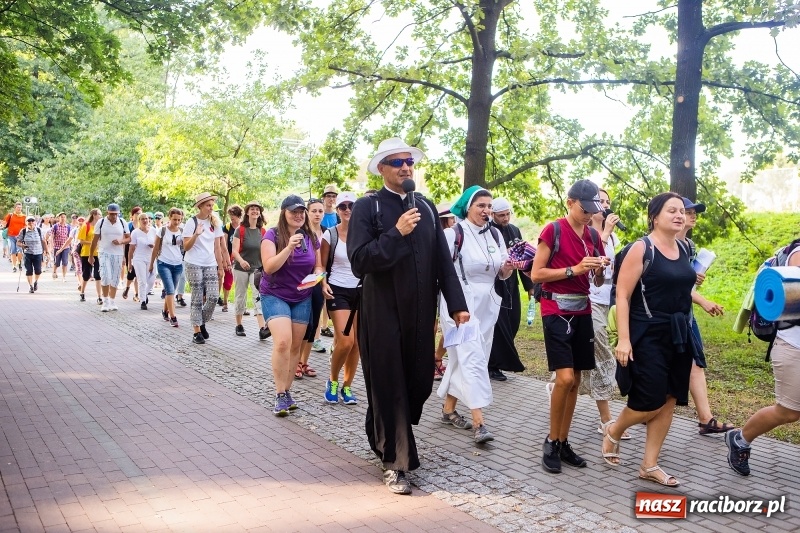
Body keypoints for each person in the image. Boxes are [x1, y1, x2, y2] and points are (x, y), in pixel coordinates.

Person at [348, 137, 469, 495]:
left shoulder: (427, 207)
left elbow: (443, 262)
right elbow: (360, 262)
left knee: (416, 382)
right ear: (382, 168)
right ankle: (396, 463)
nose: (405, 167)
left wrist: (457, 303)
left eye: (409, 162)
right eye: (396, 162)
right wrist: (396, 233)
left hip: (420, 313)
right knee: (391, 385)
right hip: (382, 312)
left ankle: (381, 431)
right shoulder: (366, 208)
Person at [603, 192, 697, 487]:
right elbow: (622, 295)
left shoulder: (683, 248)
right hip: (647, 333)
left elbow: (681, 289)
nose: (680, 215)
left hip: (679, 333)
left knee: (669, 399)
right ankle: (614, 430)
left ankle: (649, 465)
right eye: (672, 210)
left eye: (681, 211)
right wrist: (624, 339)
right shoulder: (642, 248)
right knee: (649, 401)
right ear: (654, 216)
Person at [530, 179, 608, 474]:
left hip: (583, 308)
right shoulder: (554, 230)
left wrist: (600, 269)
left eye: (593, 210)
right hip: (554, 308)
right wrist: (573, 269)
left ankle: (563, 441)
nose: (589, 215)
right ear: (570, 203)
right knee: (563, 379)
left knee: (575, 380)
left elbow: (597, 282)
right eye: (584, 209)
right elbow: (537, 274)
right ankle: (550, 440)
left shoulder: (592, 235)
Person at [438, 186, 514, 444]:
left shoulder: (495, 234)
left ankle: (448, 409)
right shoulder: (453, 234)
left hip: (487, 305)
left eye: (490, 206)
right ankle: (479, 422)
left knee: (467, 358)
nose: (487, 211)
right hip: (459, 305)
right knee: (473, 359)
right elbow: (441, 272)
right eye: (481, 205)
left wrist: (510, 266)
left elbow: (502, 273)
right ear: (467, 207)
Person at [725, 246, 800, 476]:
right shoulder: (797, 253)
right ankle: (740, 439)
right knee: (789, 411)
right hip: (793, 347)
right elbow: (793, 297)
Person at [260, 194, 323, 416]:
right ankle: (278, 394)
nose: (298, 215)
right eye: (293, 211)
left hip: (301, 296)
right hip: (274, 294)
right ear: (283, 213)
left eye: (300, 211)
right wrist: (287, 248)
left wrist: (316, 276)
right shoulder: (272, 235)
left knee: (296, 345)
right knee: (283, 342)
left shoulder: (310, 237)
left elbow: (318, 265)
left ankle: (287, 392)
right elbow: (268, 268)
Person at [579, 189, 631, 439]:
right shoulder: (590, 234)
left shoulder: (612, 239)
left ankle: (559, 385)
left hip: (605, 298)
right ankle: (606, 419)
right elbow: (586, 258)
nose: (605, 206)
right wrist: (606, 232)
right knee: (604, 355)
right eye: (601, 201)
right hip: (586, 298)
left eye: (608, 202)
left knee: (586, 358)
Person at [678, 197, 730, 435]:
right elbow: (674, 286)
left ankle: (705, 419)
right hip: (667, 316)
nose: (692, 215)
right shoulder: (664, 244)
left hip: (686, 314)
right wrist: (704, 302)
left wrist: (694, 276)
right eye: (688, 211)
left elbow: (684, 283)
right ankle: (648, 410)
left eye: (693, 212)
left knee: (696, 363)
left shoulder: (689, 245)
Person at [487, 198, 535, 381]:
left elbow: (524, 258)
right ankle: (493, 365)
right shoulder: (489, 231)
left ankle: (498, 360)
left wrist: (529, 287)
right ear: (493, 215)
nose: (505, 218)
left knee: (513, 321)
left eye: (508, 214)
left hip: (511, 284)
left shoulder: (515, 230)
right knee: (499, 326)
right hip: (495, 283)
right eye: (501, 215)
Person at [321, 192, 362, 405]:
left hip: (361, 291)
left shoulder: (365, 234)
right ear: (337, 210)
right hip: (337, 289)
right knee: (345, 341)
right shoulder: (330, 234)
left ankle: (347, 387)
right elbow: (320, 265)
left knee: (357, 345)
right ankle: (333, 380)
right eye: (343, 206)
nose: (347, 210)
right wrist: (323, 282)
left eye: (351, 206)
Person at [183, 193, 226, 344]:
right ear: (200, 206)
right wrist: (196, 234)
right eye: (208, 205)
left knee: (213, 296)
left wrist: (220, 267)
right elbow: (186, 247)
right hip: (193, 262)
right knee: (197, 296)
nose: (211, 207)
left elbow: (217, 247)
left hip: (210, 263)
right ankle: (196, 332)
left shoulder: (215, 222)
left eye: (212, 205)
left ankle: (201, 321)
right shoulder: (191, 222)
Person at [297, 198, 326, 378]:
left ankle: (304, 362)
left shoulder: (327, 232)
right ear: (307, 212)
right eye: (314, 210)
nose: (317, 214)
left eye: (320, 211)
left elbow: (322, 263)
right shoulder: (302, 232)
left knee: (313, 323)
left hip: (318, 281)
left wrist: (322, 282)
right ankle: (295, 363)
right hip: (300, 283)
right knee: (302, 324)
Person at [230, 202, 268, 338]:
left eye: (257, 210)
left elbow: (266, 250)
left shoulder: (262, 231)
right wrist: (241, 261)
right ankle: (239, 325)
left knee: (258, 296)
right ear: (247, 212)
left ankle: (262, 328)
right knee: (241, 295)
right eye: (252, 209)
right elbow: (234, 250)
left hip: (257, 269)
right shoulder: (240, 230)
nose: (255, 211)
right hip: (241, 268)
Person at [89, 203, 130, 312]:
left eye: (116, 214)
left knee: (115, 279)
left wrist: (121, 241)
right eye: (112, 214)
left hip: (118, 254)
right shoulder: (101, 222)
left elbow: (129, 238)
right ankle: (105, 301)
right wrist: (91, 255)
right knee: (106, 275)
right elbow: (95, 240)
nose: (114, 216)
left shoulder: (122, 222)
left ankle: (112, 300)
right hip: (104, 252)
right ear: (108, 213)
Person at [434, 204, 457, 380]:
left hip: (449, 288)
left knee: (450, 328)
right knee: (432, 328)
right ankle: (431, 362)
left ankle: (437, 358)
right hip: (433, 287)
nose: (455, 221)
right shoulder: (438, 237)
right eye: (452, 218)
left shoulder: (457, 236)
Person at [150, 208, 184, 327]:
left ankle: (165, 311)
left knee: (172, 291)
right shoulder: (162, 230)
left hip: (178, 264)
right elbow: (155, 248)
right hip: (164, 263)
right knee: (170, 290)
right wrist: (151, 264)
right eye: (174, 219)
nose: (176, 222)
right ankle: (173, 317)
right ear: (169, 218)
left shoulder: (183, 231)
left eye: (179, 220)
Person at [129, 213, 157, 310]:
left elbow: (158, 244)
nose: (145, 221)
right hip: (139, 258)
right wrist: (129, 263)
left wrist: (153, 246)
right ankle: (143, 301)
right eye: (142, 219)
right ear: (139, 220)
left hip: (151, 257)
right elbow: (131, 249)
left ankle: (144, 294)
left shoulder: (153, 231)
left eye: (146, 219)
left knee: (152, 279)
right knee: (142, 280)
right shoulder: (135, 232)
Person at [220, 205, 242, 312]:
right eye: (230, 216)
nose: (231, 218)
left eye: (233, 216)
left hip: (241, 256)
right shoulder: (227, 227)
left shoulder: (243, 227)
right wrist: (224, 260)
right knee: (228, 280)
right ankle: (225, 302)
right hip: (229, 255)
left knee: (242, 281)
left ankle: (242, 306)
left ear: (239, 216)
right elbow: (223, 244)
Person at [77, 210, 102, 304]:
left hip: (98, 253)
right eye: (99, 214)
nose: (100, 216)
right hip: (86, 253)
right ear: (94, 215)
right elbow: (81, 241)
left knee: (98, 275)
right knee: (86, 274)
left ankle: (99, 297)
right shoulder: (86, 225)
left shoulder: (100, 226)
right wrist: (92, 243)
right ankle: (82, 292)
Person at [18, 216, 46, 293]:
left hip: (38, 253)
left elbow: (43, 241)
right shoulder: (23, 231)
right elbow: (18, 242)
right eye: (28, 221)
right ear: (26, 222)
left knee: (38, 270)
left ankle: (36, 282)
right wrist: (22, 245)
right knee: (29, 270)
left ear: (35, 222)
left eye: (32, 221)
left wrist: (47, 251)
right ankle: (30, 286)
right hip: (28, 254)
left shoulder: (39, 230)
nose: (30, 222)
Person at [122, 206, 142, 302]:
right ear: (132, 215)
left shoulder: (143, 225)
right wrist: (123, 256)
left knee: (139, 273)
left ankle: (137, 293)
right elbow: (124, 240)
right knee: (131, 272)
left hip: (140, 252)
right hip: (129, 251)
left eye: (140, 213)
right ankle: (127, 287)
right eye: (137, 213)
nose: (138, 215)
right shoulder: (128, 225)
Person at [1, 202, 26, 273]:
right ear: (15, 208)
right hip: (11, 236)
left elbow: (25, 226)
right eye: (18, 207)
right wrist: (3, 224)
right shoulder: (11, 215)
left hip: (20, 237)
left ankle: (19, 262)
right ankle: (14, 266)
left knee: (20, 251)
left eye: (20, 207)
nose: (19, 209)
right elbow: (5, 222)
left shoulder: (24, 216)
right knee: (13, 251)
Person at [50, 213, 73, 282]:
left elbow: (70, 238)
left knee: (65, 262)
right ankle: (54, 271)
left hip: (65, 247)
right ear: (58, 218)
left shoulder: (68, 227)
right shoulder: (55, 226)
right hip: (57, 247)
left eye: (64, 217)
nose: (63, 219)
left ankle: (64, 277)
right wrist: (52, 246)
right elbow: (52, 237)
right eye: (61, 217)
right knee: (57, 262)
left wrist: (71, 247)